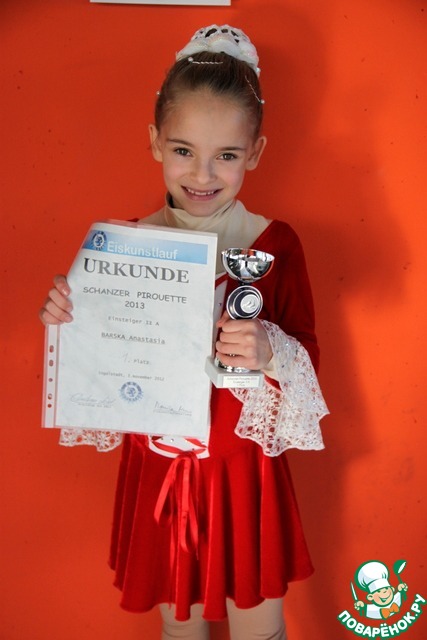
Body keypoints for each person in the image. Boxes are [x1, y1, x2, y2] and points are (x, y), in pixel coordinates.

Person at [40, 25, 328, 640]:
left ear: (254, 152)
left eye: (226, 154)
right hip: (161, 476)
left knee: (259, 627)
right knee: (179, 627)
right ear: (154, 142)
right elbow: (98, 368)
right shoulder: (121, 245)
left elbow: (308, 362)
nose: (203, 173)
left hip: (243, 476)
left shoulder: (275, 244)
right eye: (183, 149)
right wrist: (68, 322)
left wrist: (270, 351)